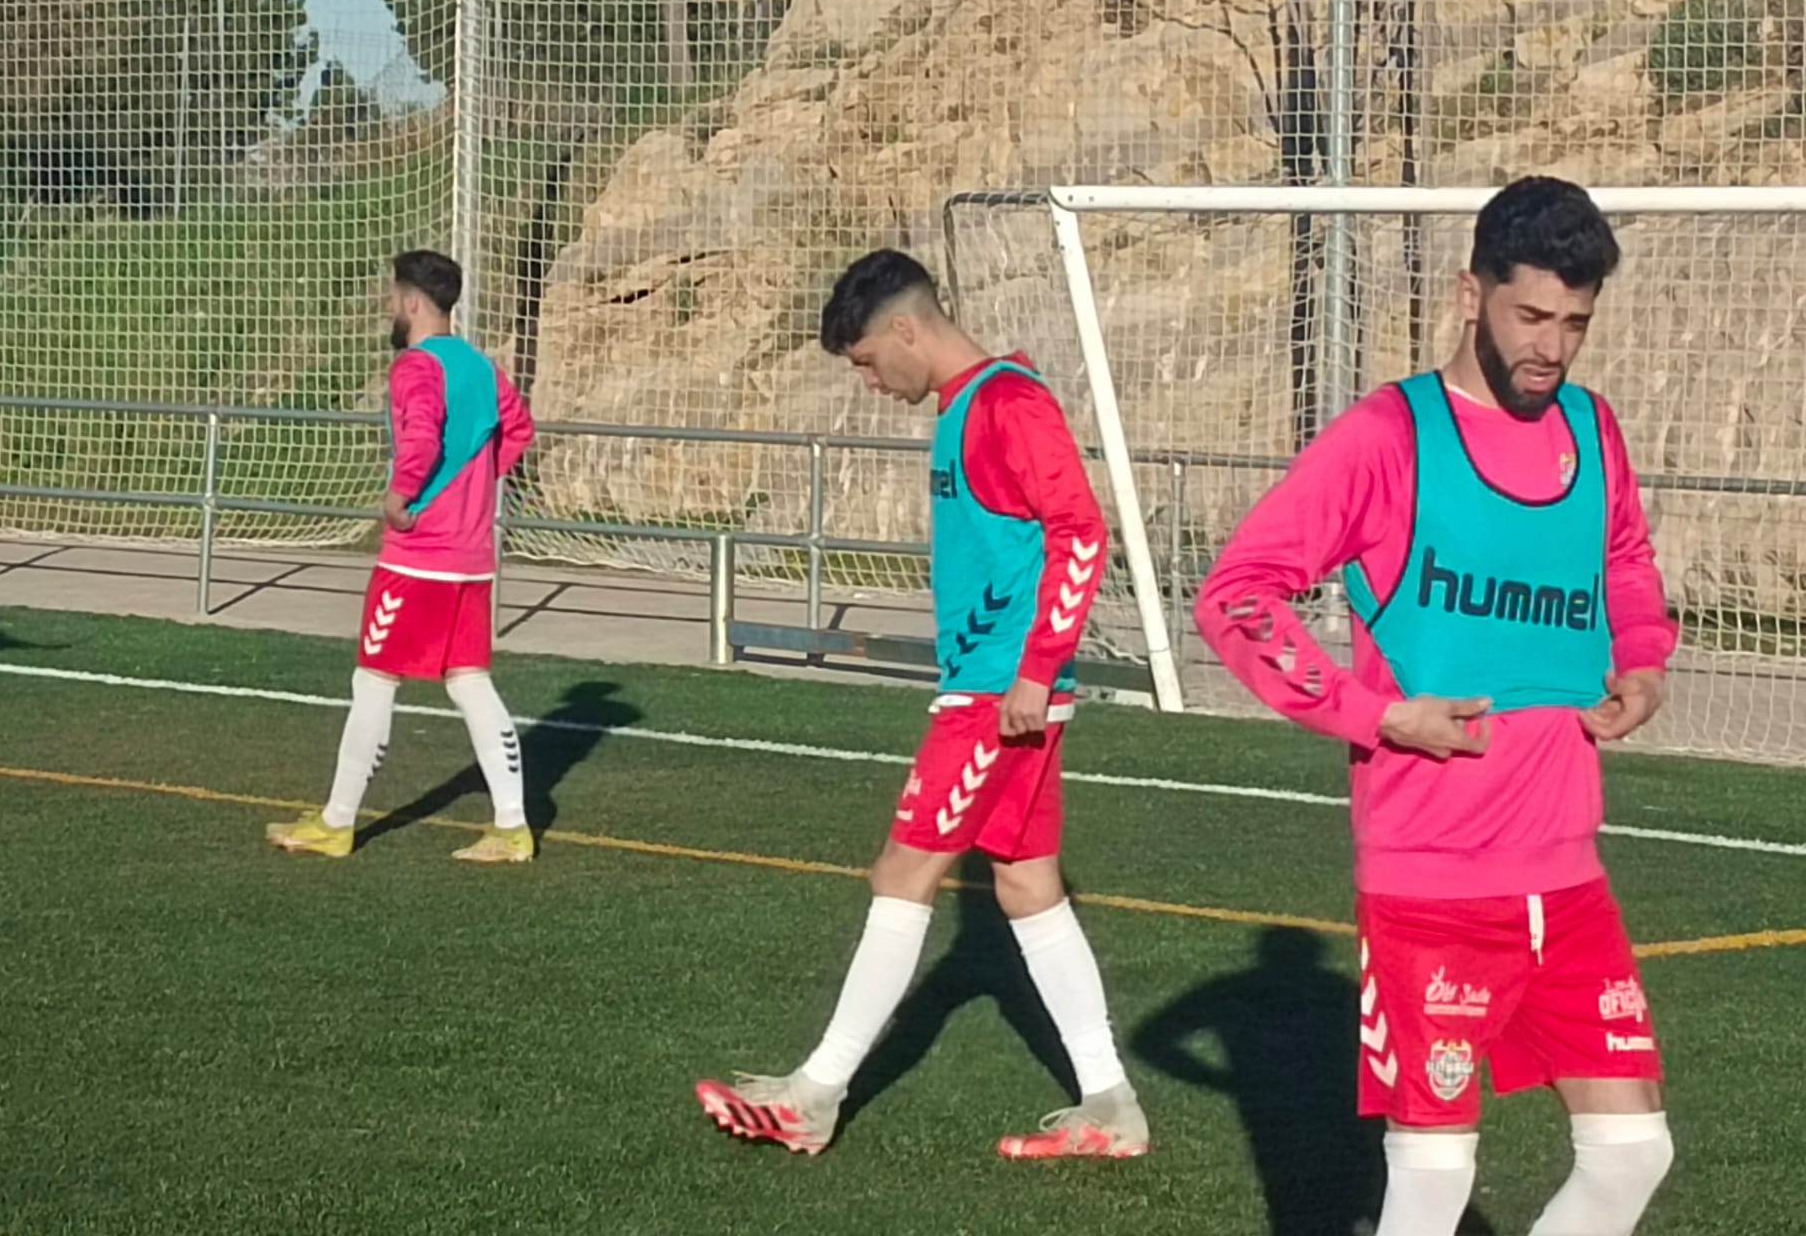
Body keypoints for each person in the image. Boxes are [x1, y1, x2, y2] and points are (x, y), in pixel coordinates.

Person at [1194, 178, 1677, 1236]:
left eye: (1573, 323)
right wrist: (1375, 715)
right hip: (1430, 881)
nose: (1550, 347)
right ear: (1471, 292)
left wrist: (1639, 661)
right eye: (1530, 315)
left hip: (1566, 872)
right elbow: (1237, 594)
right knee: (1429, 1186)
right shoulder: (1386, 434)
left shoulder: (1589, 431)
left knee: (1634, 1153)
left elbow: (1625, 562)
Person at [695, 249, 1149, 1160]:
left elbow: (1082, 533)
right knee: (1025, 886)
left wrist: (1035, 669)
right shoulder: (967, 407)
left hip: (998, 695)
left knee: (903, 872)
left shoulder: (1007, 405)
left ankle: (816, 1093)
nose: (869, 380)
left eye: (867, 360)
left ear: (906, 327)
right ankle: (1112, 1106)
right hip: (997, 687)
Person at [267, 251, 537, 864]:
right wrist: (471, 491)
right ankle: (513, 826)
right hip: (471, 556)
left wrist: (403, 495)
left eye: (393, 297)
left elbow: (423, 433)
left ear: (413, 301)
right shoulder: (482, 366)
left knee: (374, 679)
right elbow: (519, 430)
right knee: (470, 682)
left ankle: (337, 823)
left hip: (420, 556)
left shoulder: (416, 366)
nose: (390, 306)